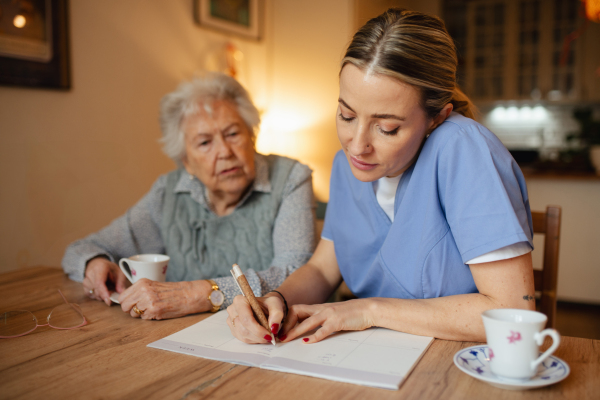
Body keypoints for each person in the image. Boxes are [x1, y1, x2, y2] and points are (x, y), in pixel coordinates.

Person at [226, 9, 535, 344]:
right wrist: (277, 300)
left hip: (454, 364)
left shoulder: (462, 149)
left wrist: (370, 310)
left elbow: (511, 314)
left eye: (387, 128)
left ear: (436, 118)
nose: (357, 146)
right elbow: (323, 269)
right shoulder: (346, 168)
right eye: (346, 115)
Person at [62, 72, 316, 320]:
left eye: (233, 134)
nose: (225, 151)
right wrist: (94, 263)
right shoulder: (169, 193)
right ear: (186, 161)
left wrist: (199, 294)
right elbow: (80, 250)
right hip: (179, 341)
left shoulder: (290, 179)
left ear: (252, 135)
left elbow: (298, 274)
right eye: (205, 143)